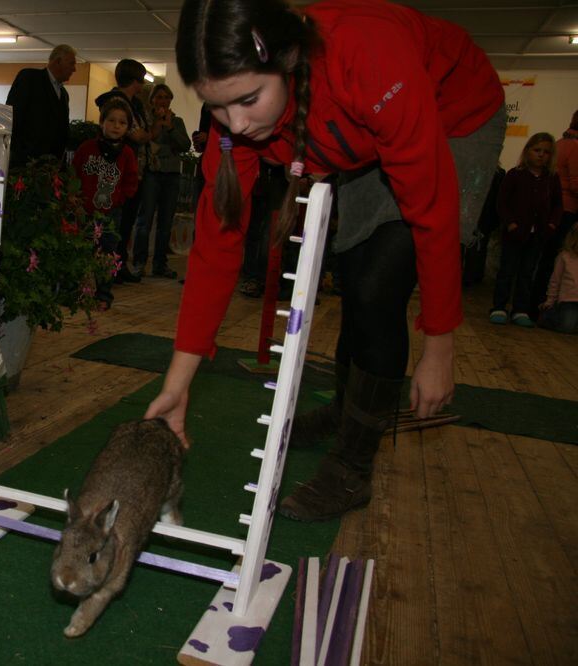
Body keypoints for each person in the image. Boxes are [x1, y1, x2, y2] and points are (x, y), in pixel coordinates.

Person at [143, 0, 505, 522]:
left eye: (248, 99)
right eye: (217, 106)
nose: (237, 123)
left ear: (289, 59)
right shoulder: (236, 125)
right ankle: (346, 410)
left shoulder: (364, 55)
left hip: (455, 114)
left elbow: (432, 210)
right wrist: (177, 386)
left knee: (377, 285)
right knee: (355, 276)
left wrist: (440, 345)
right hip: (361, 134)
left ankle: (353, 467)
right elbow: (215, 250)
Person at [489, 133, 563, 327]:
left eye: (546, 152)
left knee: (527, 273)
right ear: (528, 151)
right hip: (515, 233)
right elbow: (502, 202)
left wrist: (552, 224)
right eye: (537, 150)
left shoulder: (552, 179)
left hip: (538, 234)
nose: (541, 155)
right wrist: (510, 223)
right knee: (507, 271)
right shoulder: (515, 174)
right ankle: (499, 306)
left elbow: (557, 205)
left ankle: (520, 309)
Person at [72, 98, 140, 307]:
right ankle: (77, 292)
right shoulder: (87, 148)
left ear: (127, 128)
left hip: (111, 212)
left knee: (108, 253)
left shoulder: (127, 154)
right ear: (102, 122)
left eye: (122, 123)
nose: (116, 126)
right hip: (85, 210)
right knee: (82, 250)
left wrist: (120, 199)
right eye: (111, 121)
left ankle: (103, 294)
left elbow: (131, 181)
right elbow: (74, 173)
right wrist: (75, 198)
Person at [94, 59, 152, 284]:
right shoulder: (119, 102)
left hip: (130, 172)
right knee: (116, 222)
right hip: (118, 171)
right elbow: (138, 135)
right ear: (135, 80)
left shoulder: (134, 103)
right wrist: (151, 132)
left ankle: (118, 264)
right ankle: (110, 267)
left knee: (125, 221)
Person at [132, 84, 192, 279]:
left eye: (166, 97)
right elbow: (145, 141)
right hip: (152, 173)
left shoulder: (177, 122)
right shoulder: (146, 120)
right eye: (159, 97)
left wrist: (171, 127)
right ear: (152, 100)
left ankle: (160, 264)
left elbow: (185, 145)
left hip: (172, 176)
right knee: (145, 220)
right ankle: (139, 262)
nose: (163, 101)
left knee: (166, 222)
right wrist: (158, 125)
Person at [532, 110, 578, 313]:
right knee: (556, 262)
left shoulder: (560, 143)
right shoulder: (575, 148)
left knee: (547, 260)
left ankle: (536, 303)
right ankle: (546, 306)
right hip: (568, 210)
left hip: (554, 209)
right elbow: (576, 184)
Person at [6, 45, 77, 171]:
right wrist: (19, 153)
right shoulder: (29, 78)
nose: (74, 69)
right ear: (58, 61)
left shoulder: (64, 94)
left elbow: (62, 129)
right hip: (25, 163)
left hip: (51, 166)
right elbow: (13, 116)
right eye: (71, 63)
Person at [538, 223, 578, 333]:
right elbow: (555, 281)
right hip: (569, 300)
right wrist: (550, 301)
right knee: (566, 326)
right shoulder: (564, 256)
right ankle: (547, 316)